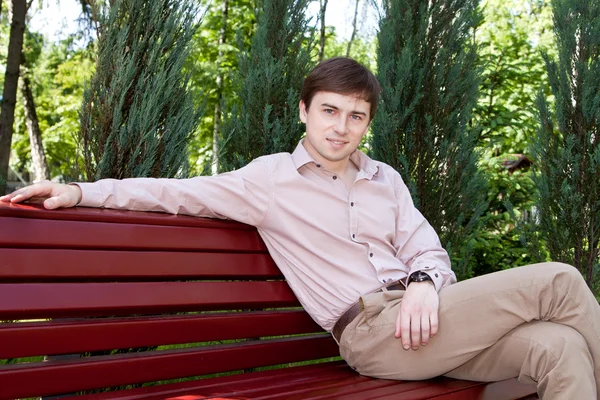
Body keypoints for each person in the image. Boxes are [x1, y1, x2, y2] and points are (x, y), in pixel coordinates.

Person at [2, 57, 599, 399]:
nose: (342, 127)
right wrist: (80, 189)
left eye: (356, 115)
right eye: (330, 111)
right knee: (560, 281)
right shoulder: (269, 181)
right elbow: (174, 194)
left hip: (429, 317)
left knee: (560, 346)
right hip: (373, 335)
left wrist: (422, 281)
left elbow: (426, 247)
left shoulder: (385, 179)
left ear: (368, 122)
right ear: (305, 112)